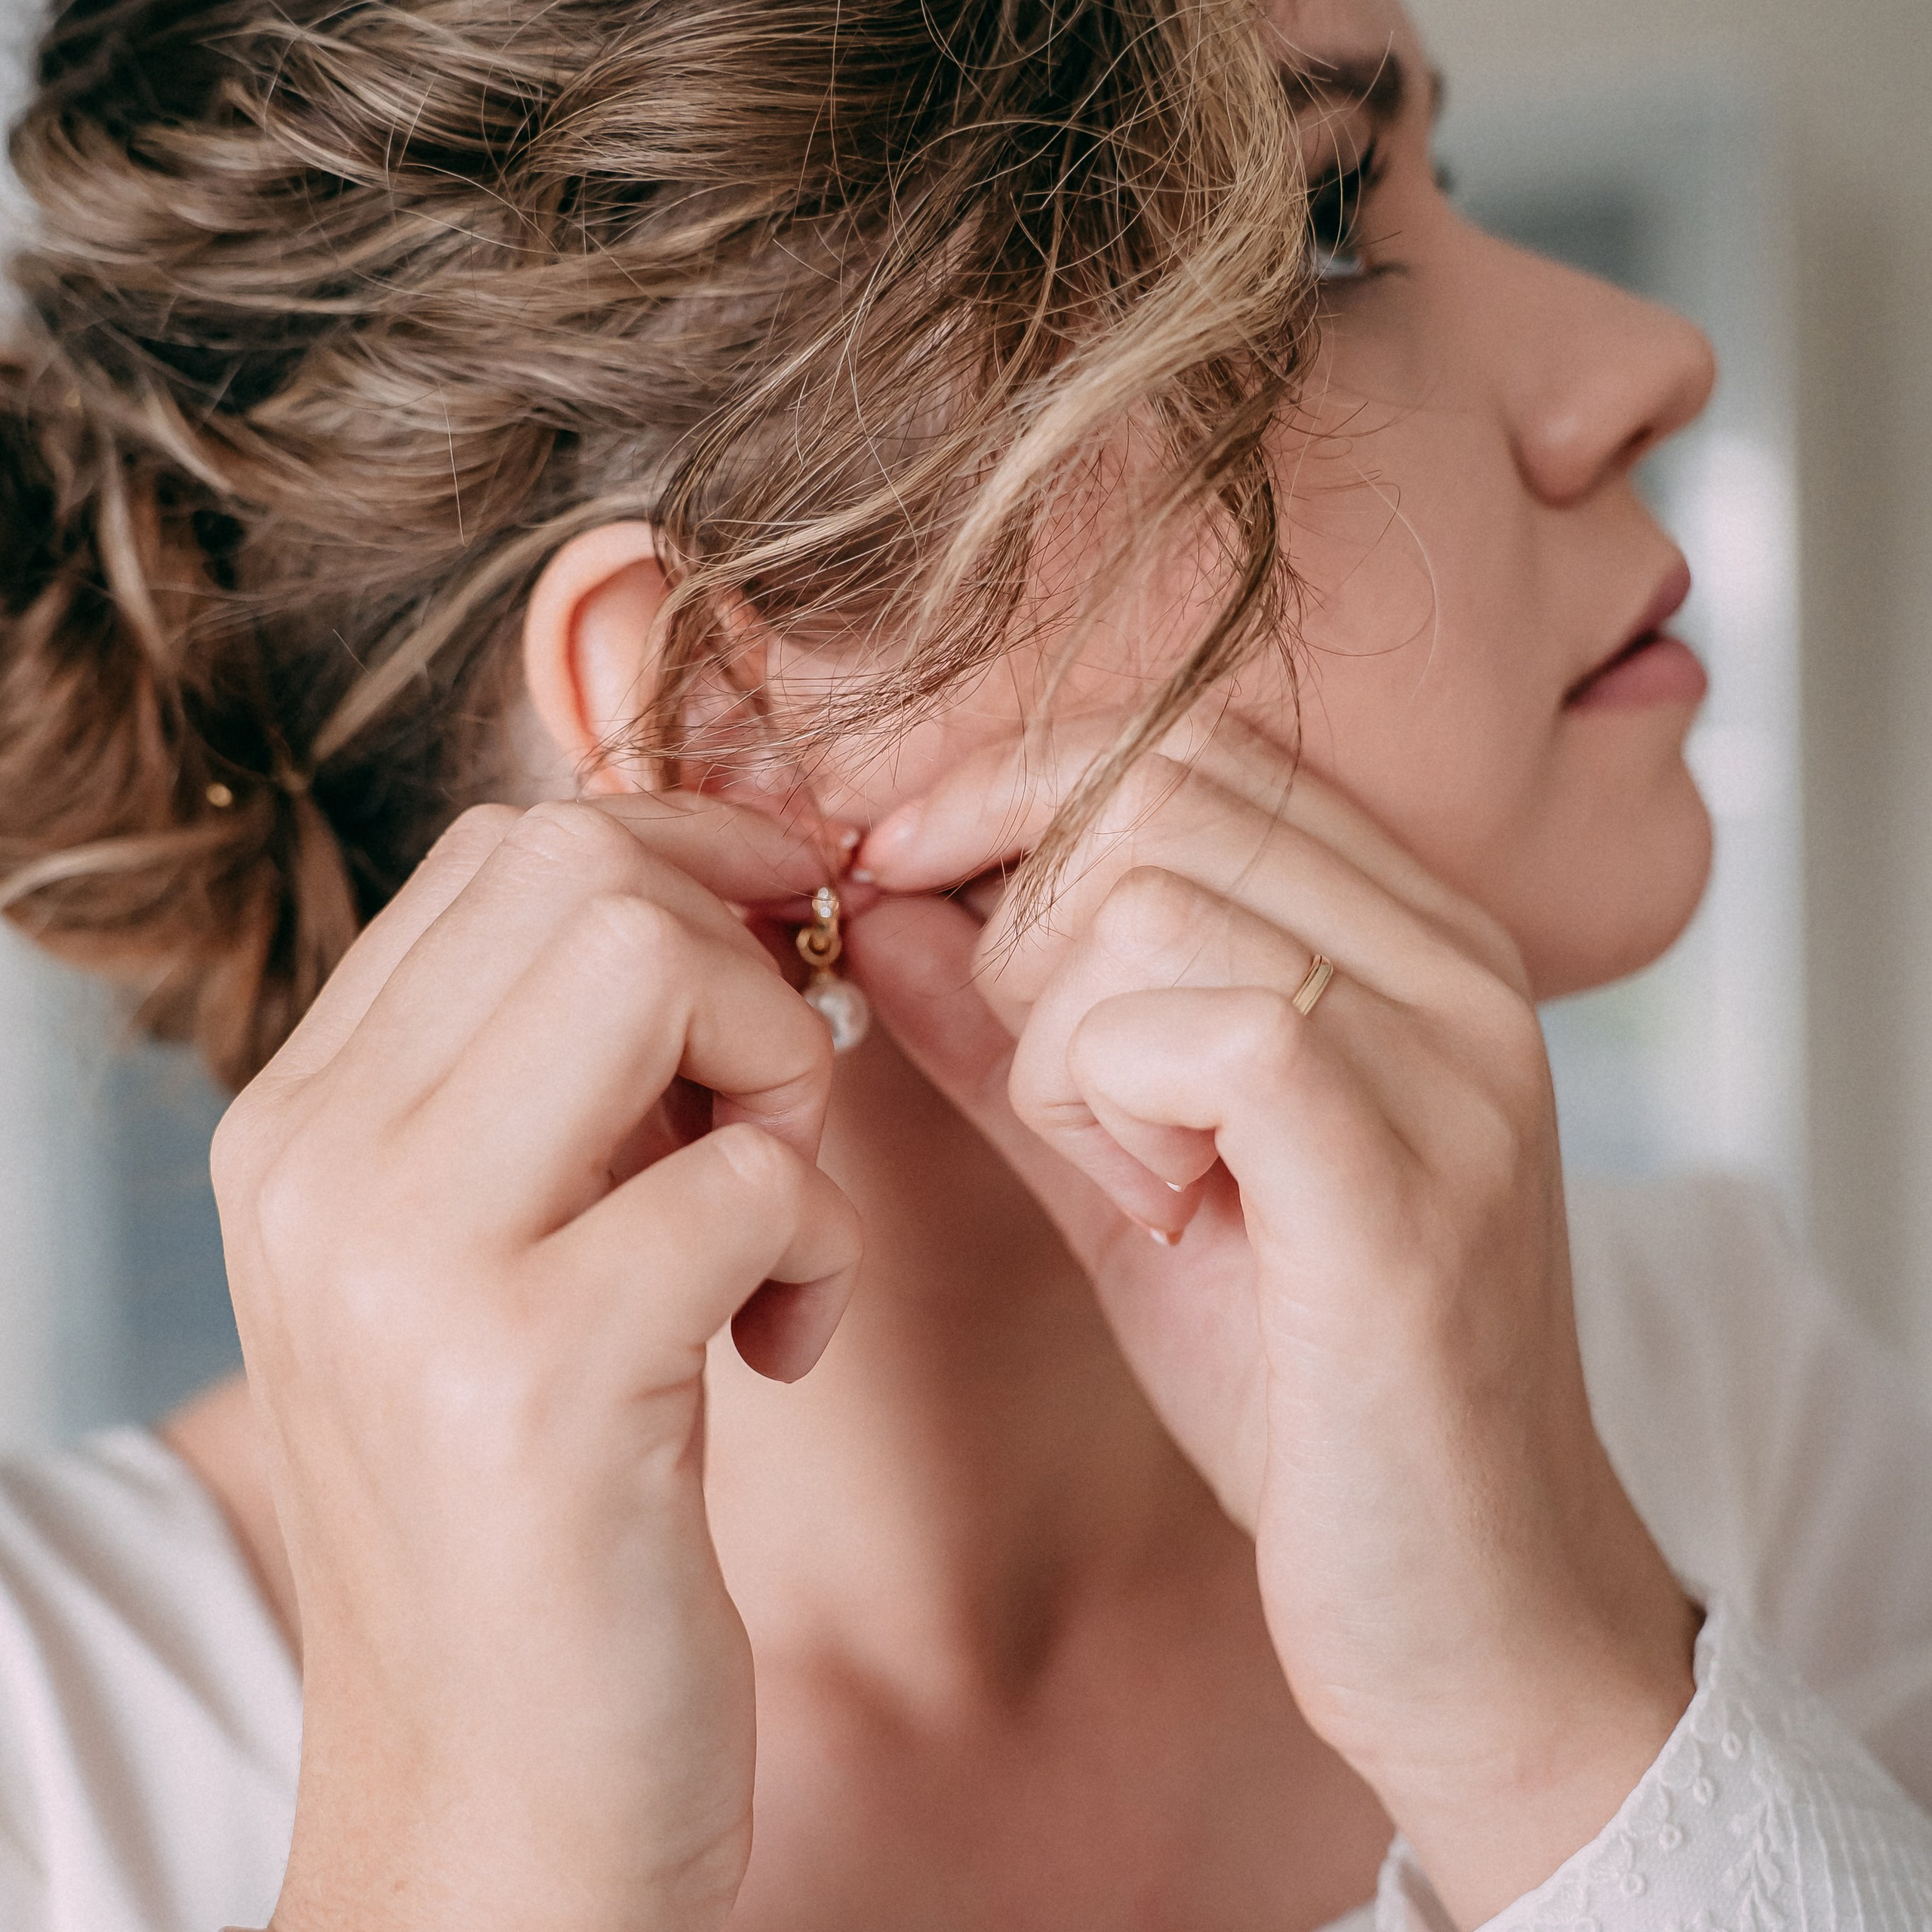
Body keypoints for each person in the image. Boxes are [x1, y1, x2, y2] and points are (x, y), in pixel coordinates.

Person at [2, 0, 1932, 1925]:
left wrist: (1563, 1711)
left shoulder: (1712, 1407)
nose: (1643, 363)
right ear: (723, 721)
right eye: (1321, 235)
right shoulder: (51, 1766)